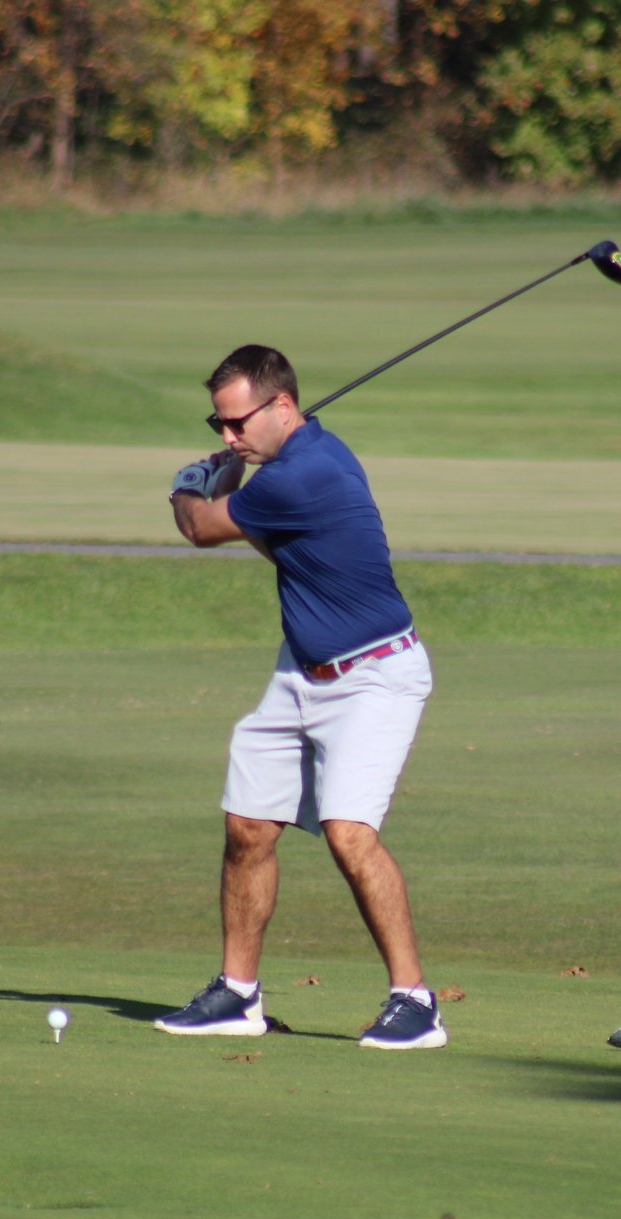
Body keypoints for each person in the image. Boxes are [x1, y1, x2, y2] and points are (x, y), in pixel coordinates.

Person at [154, 344, 446, 1051]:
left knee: (350, 834)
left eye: (236, 424)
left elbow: (199, 528)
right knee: (248, 825)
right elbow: (274, 543)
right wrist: (230, 473)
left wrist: (188, 482)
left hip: (374, 676)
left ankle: (416, 1001)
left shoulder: (305, 473)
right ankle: (237, 993)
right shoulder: (288, 467)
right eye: (217, 426)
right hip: (302, 671)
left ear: (282, 406)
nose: (227, 437)